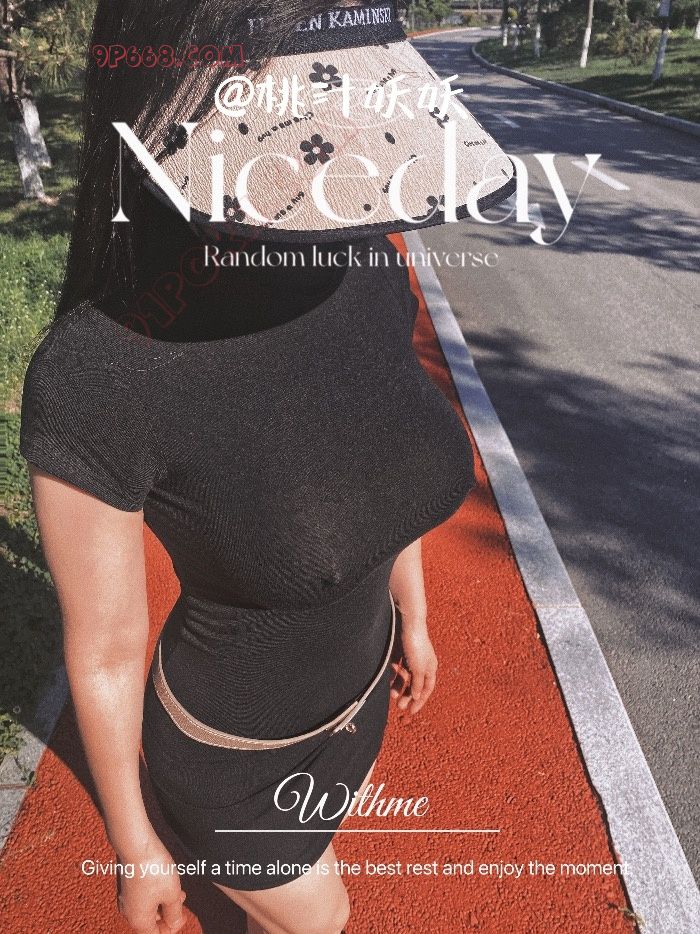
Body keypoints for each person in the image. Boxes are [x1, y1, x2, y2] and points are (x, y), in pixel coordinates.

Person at [19, 2, 514, 932]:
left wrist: (412, 615)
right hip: (232, 759)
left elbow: (378, 459)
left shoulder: (365, 263)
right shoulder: (101, 371)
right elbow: (108, 646)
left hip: (363, 696)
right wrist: (136, 848)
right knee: (323, 918)